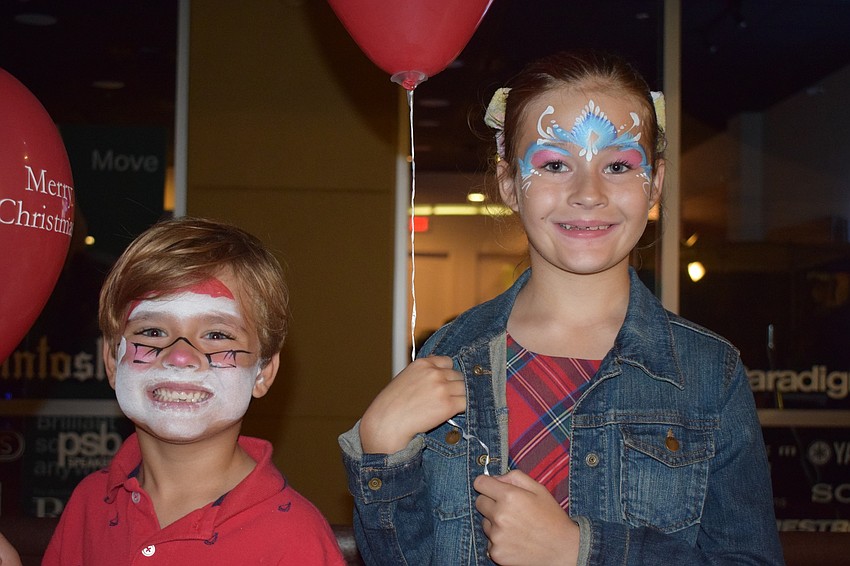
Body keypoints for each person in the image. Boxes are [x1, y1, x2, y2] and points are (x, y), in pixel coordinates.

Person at [339, 50, 784, 565]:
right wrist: (381, 450)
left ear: (656, 184)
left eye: (618, 165)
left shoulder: (709, 373)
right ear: (509, 184)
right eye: (554, 164)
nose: (588, 193)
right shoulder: (450, 354)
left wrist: (581, 552)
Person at [44, 217, 345, 565]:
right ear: (112, 361)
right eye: (153, 332)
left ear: (262, 372)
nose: (180, 357)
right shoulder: (90, 503)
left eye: (217, 335)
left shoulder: (296, 540)